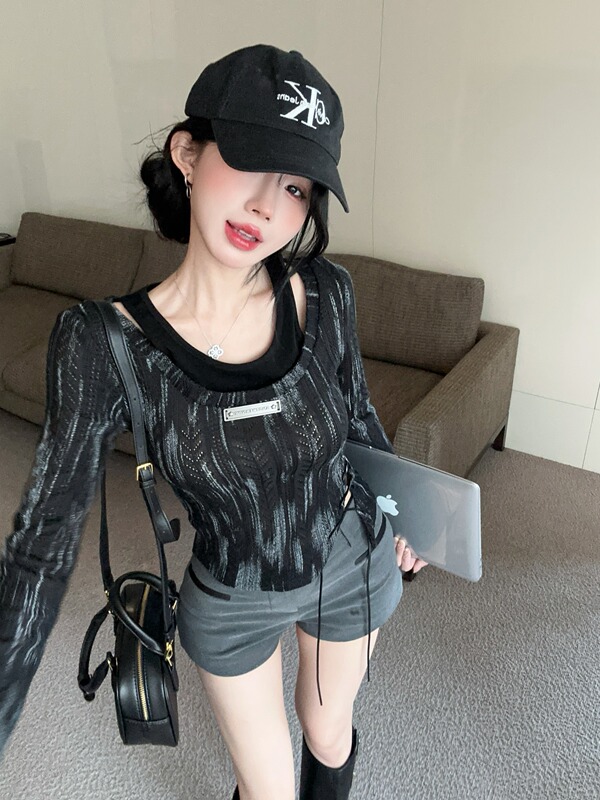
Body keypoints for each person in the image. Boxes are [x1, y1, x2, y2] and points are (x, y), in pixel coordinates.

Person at [0, 44, 426, 799]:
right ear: (188, 154)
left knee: (328, 731)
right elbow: (41, 550)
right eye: (251, 163)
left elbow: (358, 416)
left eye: (295, 186)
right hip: (232, 597)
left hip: (350, 559)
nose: (267, 207)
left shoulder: (328, 291)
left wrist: (410, 514)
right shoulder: (103, 342)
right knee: (267, 790)